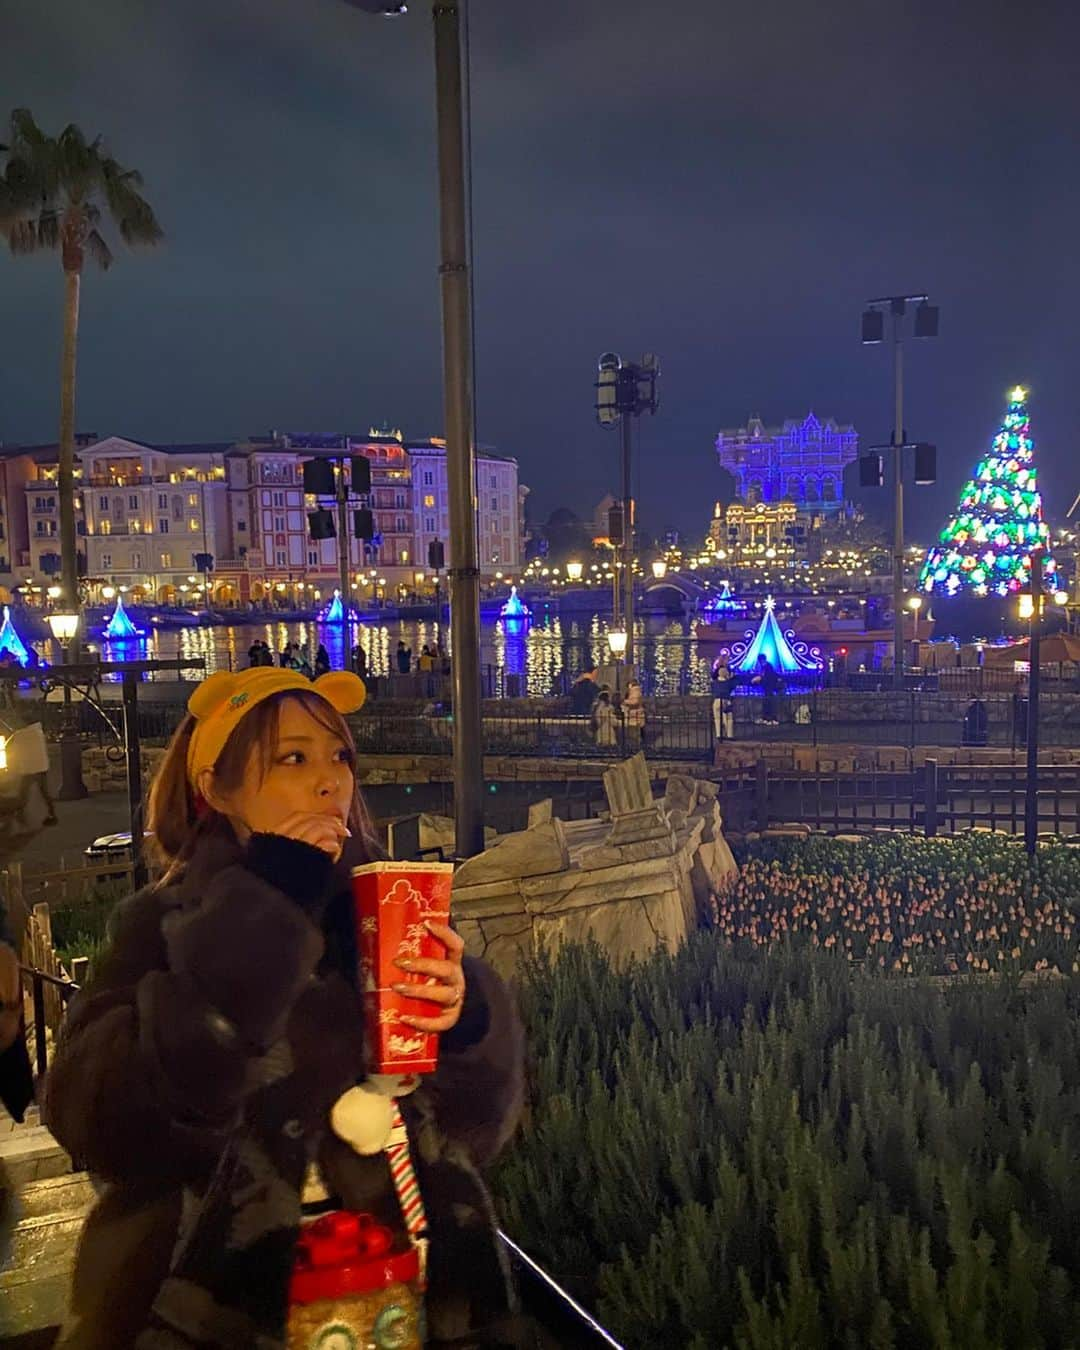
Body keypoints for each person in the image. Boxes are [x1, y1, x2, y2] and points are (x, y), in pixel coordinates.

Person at [44, 665, 525, 1349]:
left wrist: (468, 1019)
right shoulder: (159, 925)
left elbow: (476, 1133)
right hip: (211, 1308)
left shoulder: (375, 915)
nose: (330, 779)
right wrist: (265, 913)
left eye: (339, 756)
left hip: (400, 1298)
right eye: (292, 759)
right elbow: (96, 1124)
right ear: (217, 789)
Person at [710, 656, 734, 742]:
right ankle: (729, 735)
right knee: (728, 719)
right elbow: (732, 686)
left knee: (717, 719)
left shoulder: (715, 682)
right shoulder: (728, 682)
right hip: (726, 700)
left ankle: (719, 735)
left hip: (717, 700)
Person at [753, 656, 781, 725]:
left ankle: (772, 719)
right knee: (766, 702)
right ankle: (766, 718)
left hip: (769, 687)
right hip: (766, 687)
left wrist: (759, 678)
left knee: (770, 703)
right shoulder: (764, 666)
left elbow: (768, 676)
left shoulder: (768, 666)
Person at [622, 678, 646, 749]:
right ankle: (639, 744)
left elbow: (634, 702)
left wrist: (625, 702)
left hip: (635, 715)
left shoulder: (634, 691)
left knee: (635, 732)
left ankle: (636, 746)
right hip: (635, 714)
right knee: (638, 731)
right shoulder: (635, 691)